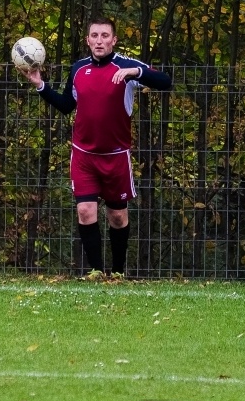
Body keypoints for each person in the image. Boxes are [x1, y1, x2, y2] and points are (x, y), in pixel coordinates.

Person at [25, 16, 172, 277]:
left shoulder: (126, 67)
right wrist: (41, 86)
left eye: (105, 35)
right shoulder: (79, 69)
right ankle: (96, 273)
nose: (99, 40)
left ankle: (117, 273)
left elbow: (165, 81)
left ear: (114, 40)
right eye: (95, 35)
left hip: (116, 156)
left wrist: (135, 73)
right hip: (84, 155)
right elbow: (67, 106)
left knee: (117, 216)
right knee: (85, 210)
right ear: (88, 40)